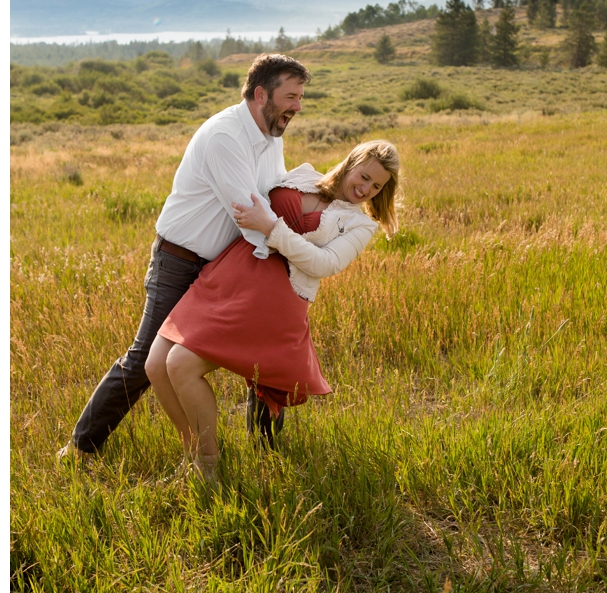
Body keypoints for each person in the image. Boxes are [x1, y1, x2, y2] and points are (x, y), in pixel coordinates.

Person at [60, 53, 308, 460]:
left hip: (228, 262)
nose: (298, 106)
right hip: (180, 261)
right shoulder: (224, 135)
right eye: (292, 96)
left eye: (301, 98)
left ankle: (267, 452)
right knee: (145, 360)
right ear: (261, 93)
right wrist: (293, 253)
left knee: (262, 354)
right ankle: (81, 449)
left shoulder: (270, 137)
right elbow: (249, 215)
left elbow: (275, 194)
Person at [146, 140, 398, 480]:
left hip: (272, 298)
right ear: (351, 162)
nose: (366, 189)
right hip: (229, 275)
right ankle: (192, 451)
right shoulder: (303, 176)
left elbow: (323, 263)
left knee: (180, 364)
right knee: (155, 365)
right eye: (364, 176)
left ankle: (207, 466)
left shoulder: (359, 225)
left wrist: (271, 228)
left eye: (377, 186)